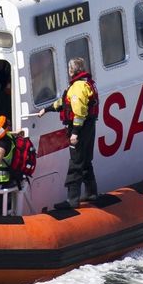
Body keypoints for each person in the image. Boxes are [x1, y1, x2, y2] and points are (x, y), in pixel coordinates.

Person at [49, 56, 98, 207]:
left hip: (80, 128)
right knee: (86, 160)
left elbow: (79, 112)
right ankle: (91, 192)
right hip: (89, 126)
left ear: (71, 71)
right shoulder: (86, 83)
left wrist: (75, 132)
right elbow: (64, 102)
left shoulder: (77, 87)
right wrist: (47, 109)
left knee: (76, 162)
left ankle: (72, 199)